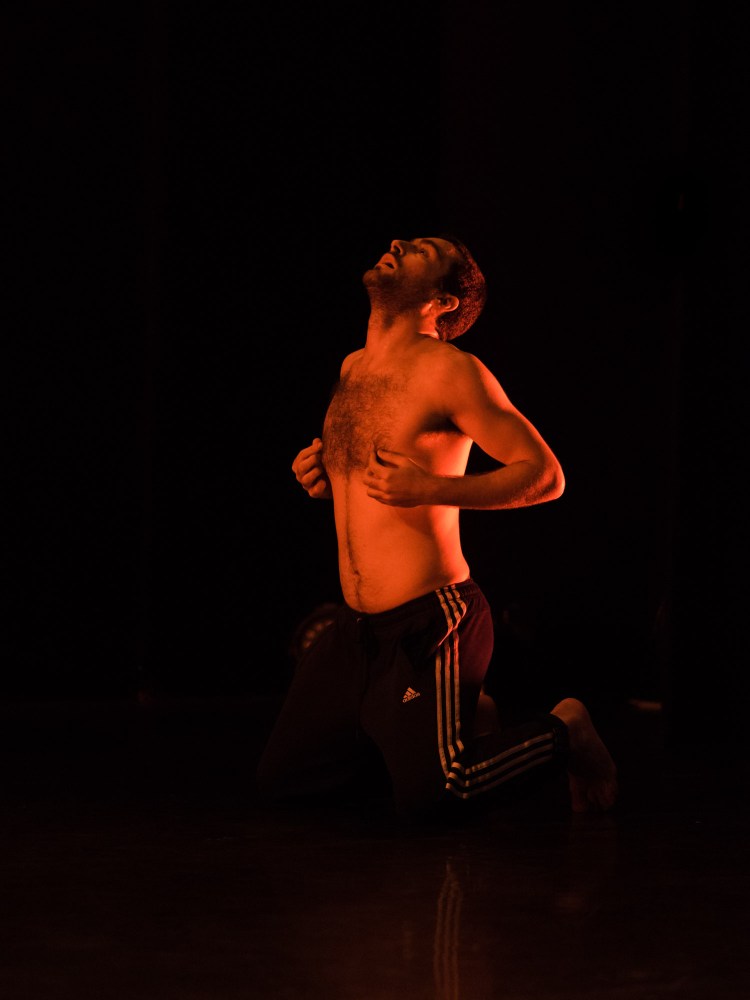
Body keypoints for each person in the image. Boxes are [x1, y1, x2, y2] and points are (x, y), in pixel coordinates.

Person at [257, 234, 617, 818]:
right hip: (357, 629)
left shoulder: (450, 371)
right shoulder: (353, 367)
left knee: (443, 793)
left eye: (422, 250)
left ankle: (566, 730)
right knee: (284, 783)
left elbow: (545, 475)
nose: (398, 243)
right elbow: (369, 486)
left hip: (432, 619)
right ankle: (461, 720)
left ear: (442, 302)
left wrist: (433, 489)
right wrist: (323, 478)